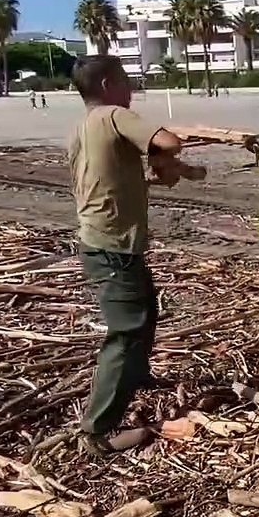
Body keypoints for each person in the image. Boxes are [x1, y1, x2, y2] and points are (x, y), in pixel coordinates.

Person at [68, 55, 188, 455]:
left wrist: (162, 169)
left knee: (145, 314)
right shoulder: (114, 115)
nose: (131, 90)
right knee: (126, 332)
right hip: (113, 248)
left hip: (101, 243)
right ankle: (96, 430)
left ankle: (136, 377)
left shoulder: (82, 127)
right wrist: (165, 150)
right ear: (106, 85)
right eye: (125, 81)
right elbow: (169, 140)